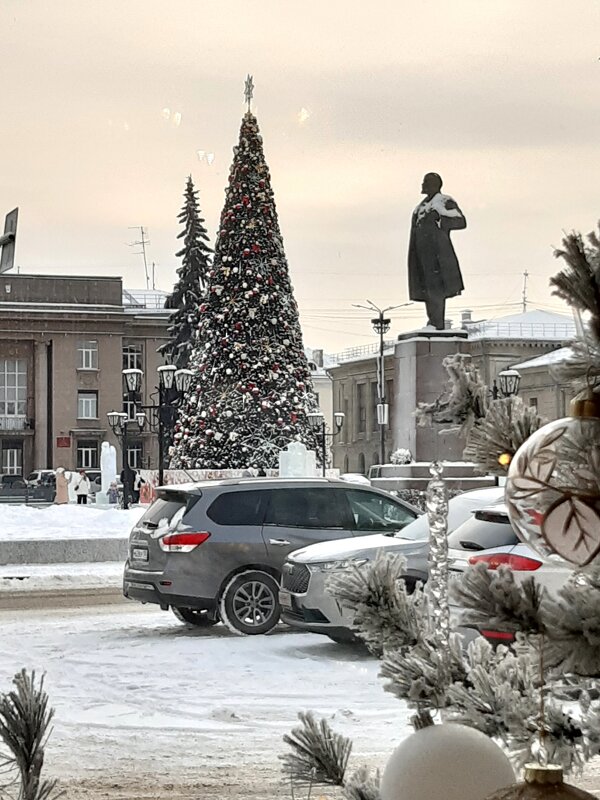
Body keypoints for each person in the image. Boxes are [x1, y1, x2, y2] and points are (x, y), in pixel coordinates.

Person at [407, 172, 466, 331]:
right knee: (426, 289)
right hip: (421, 256)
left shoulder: (444, 202)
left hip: (438, 257)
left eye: (425, 182)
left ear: (434, 184)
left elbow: (461, 221)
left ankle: (437, 323)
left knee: (436, 289)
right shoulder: (419, 208)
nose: (422, 185)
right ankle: (432, 322)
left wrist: (441, 220)